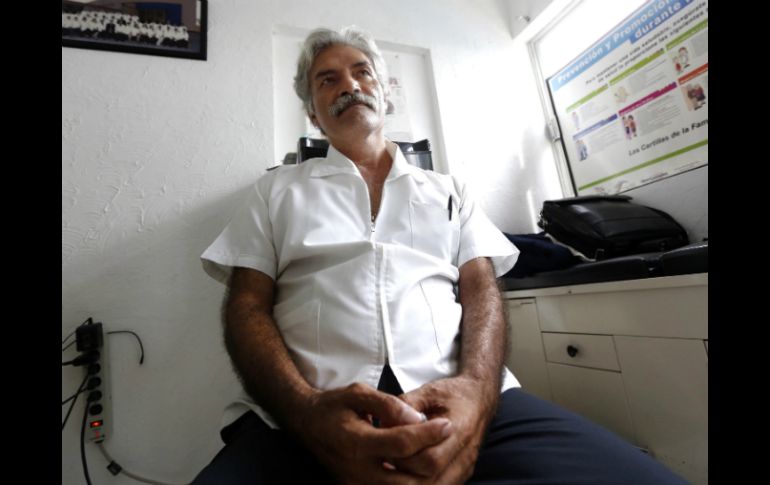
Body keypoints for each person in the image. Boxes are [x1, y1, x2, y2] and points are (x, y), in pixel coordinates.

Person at [194, 26, 690, 485]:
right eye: (328, 79)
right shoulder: (276, 192)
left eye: (362, 72)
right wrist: (303, 411)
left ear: (384, 91)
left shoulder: (448, 190)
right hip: (300, 415)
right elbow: (247, 306)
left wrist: (477, 390)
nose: (349, 85)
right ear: (312, 113)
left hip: (463, 399)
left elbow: (482, 291)